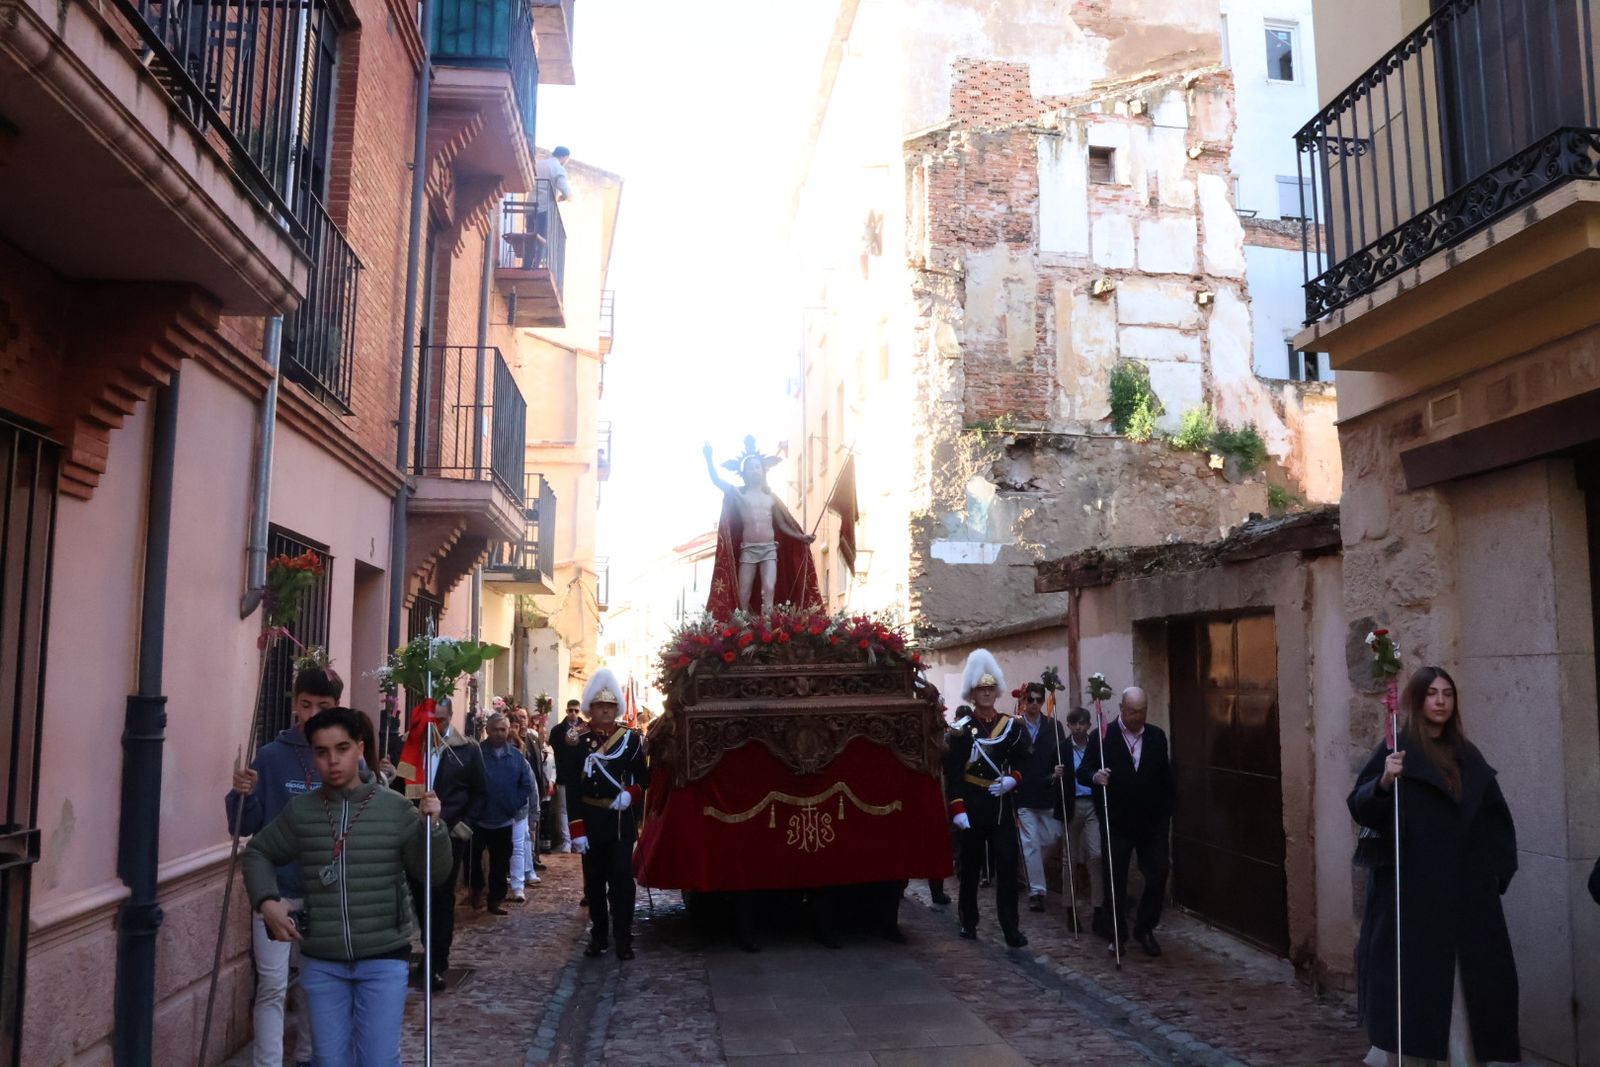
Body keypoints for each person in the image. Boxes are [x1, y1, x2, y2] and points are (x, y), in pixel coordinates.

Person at [243, 706, 451, 1067]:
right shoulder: (301, 812)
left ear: (359, 747)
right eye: (321, 752)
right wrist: (267, 901)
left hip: (383, 957)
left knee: (379, 1060)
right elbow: (258, 853)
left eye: (342, 749)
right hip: (323, 960)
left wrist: (433, 828)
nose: (332, 761)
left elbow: (433, 872)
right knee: (330, 1060)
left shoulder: (396, 809)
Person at [1348, 666, 1519, 1066]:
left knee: (1470, 990)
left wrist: (1495, 872)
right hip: (1413, 896)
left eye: (1448, 694)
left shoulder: (1466, 754)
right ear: (1417, 700)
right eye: (1432, 694)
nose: (1441, 701)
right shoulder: (1398, 749)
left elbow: (1495, 818)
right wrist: (1385, 782)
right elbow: (1361, 807)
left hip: (1467, 897)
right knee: (1418, 996)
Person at [224, 665, 343, 1067]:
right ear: (295, 705)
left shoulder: (340, 756)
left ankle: (310, 1056)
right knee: (273, 985)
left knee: (315, 984)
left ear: (335, 707)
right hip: (275, 891)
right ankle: (268, 1063)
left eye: (322, 706)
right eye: (305, 704)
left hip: (323, 895)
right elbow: (245, 825)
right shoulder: (272, 757)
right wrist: (243, 795)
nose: (311, 714)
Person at [393, 695, 485, 991]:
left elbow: (480, 793)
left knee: (442, 898)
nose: (436, 727)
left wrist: (464, 826)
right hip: (414, 833)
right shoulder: (411, 747)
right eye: (431, 721)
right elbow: (398, 789)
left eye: (442, 720)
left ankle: (437, 961)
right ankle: (425, 948)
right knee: (418, 894)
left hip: (448, 833)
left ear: (451, 718)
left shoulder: (467, 751)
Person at [1076, 686, 1172, 956]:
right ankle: (1117, 932)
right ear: (1121, 709)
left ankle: (1145, 927)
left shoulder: (1156, 736)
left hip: (1150, 824)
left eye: (1142, 711)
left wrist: (1165, 816)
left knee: (1158, 873)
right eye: (1132, 711)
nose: (1137, 717)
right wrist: (1096, 777)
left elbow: (1165, 779)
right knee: (1115, 880)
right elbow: (1084, 771)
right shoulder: (1103, 736)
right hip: (1115, 821)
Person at [944, 649, 1029, 948]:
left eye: (991, 688)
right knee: (970, 868)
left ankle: (1010, 928)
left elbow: (1024, 762)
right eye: (981, 689)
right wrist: (957, 808)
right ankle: (968, 920)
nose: (986, 694)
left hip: (1001, 806)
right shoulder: (960, 732)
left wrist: (1012, 779)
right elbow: (952, 773)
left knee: (1007, 866)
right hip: (972, 803)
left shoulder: (1011, 727)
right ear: (972, 693)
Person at [564, 669, 649, 960]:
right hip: (590, 820)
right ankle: (598, 936)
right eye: (600, 706)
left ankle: (623, 938)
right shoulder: (577, 741)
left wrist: (631, 795)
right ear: (591, 708)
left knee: (622, 882)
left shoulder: (630, 740)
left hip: (619, 821)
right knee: (595, 884)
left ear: (617, 709)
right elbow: (573, 788)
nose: (605, 710)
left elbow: (644, 778)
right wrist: (577, 830)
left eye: (610, 706)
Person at [702, 437, 820, 616]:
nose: (754, 470)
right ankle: (741, 627)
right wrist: (709, 458)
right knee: (744, 592)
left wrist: (801, 537)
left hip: (769, 550)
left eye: (757, 467)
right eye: (750, 467)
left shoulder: (771, 498)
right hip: (748, 550)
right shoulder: (739, 494)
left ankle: (766, 627)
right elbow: (717, 480)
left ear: (763, 470)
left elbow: (782, 525)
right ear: (743, 472)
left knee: (768, 588)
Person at [1012, 682, 1070, 916]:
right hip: (1024, 794)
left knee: (1051, 837)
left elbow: (1062, 754)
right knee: (1030, 844)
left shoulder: (1053, 726)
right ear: (1024, 701)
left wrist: (1058, 772)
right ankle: (1037, 892)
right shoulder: (1015, 727)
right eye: (1030, 699)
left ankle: (1027, 870)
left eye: (1038, 700)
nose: (1034, 704)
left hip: (1048, 794)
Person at [469, 712, 533, 915]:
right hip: (479, 819)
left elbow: (526, 785)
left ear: (508, 731)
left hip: (504, 819)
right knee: (472, 859)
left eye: (502, 729)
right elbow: (466, 782)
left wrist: (513, 805)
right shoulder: (477, 754)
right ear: (487, 730)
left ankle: (495, 899)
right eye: (495, 729)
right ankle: (476, 889)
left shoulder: (516, 756)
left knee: (500, 862)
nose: (499, 733)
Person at [1062, 706, 1103, 933]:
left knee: (1096, 855)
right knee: (1070, 859)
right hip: (1072, 806)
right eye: (1074, 723)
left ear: (1088, 725)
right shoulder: (1062, 749)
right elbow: (1049, 780)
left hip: (1091, 805)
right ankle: (1070, 909)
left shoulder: (1097, 747)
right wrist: (1054, 775)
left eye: (1082, 723)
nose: (1078, 727)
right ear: (1069, 725)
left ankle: (1098, 908)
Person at [549, 698, 584, 852]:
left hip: (580, 776)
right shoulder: (557, 730)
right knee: (562, 809)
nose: (573, 714)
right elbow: (552, 753)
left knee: (579, 808)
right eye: (570, 710)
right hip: (563, 774)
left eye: (576, 711)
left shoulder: (586, 729)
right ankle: (566, 841)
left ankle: (578, 839)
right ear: (566, 711)